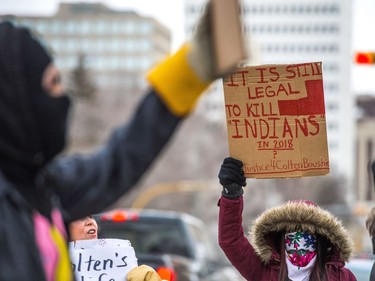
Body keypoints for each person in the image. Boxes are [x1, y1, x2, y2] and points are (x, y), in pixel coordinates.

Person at [0, 1, 246, 279]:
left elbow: (119, 160)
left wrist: (192, 70)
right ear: (17, 103)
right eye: (53, 84)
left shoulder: (43, 184)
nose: (64, 98)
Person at [217, 157, 357, 281]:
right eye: (292, 237)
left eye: (307, 238)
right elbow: (231, 241)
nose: (299, 245)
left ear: (320, 240)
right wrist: (231, 194)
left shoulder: (341, 277)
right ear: (281, 240)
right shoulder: (263, 273)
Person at [68, 216, 162, 281]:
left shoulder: (129, 270)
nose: (90, 222)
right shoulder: (55, 268)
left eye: (91, 217)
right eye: (80, 218)